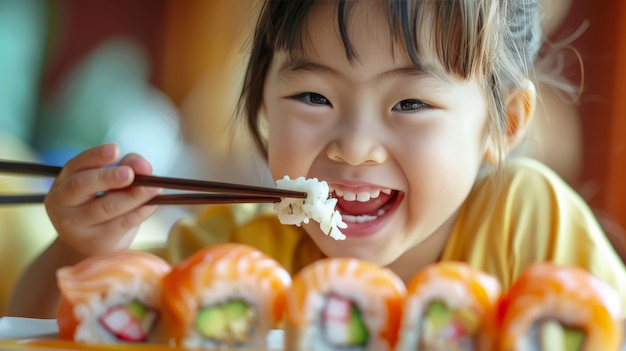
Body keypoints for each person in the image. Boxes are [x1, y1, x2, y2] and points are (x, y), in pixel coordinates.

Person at [10, 0, 626, 319]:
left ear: (502, 124)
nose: (354, 147)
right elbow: (40, 328)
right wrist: (77, 250)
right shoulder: (231, 260)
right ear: (261, 107)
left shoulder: (526, 220)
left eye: (410, 103)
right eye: (313, 96)